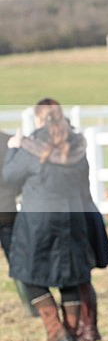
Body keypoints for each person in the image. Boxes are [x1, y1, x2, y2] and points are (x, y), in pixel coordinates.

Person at [3, 99, 108, 341]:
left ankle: (56, 331)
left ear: (39, 119)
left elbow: (7, 177)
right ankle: (69, 334)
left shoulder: (30, 145)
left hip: (38, 221)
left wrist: (14, 148)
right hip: (73, 219)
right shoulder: (77, 145)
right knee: (70, 277)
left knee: (25, 273)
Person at [0, 130, 36, 317]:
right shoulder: (9, 141)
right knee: (17, 259)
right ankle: (31, 305)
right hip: (7, 208)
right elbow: (23, 175)